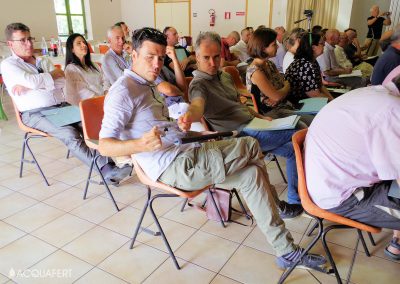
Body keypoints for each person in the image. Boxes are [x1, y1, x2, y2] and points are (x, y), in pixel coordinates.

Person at [98, 27, 326, 270]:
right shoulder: (122, 91)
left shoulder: (150, 84)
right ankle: (281, 206)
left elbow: (170, 127)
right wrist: (139, 144)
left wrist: (190, 132)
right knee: (250, 145)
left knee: (252, 175)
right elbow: (104, 146)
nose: (156, 64)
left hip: (187, 151)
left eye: (160, 58)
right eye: (149, 57)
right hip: (174, 167)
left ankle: (286, 252)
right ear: (133, 54)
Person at [181, 31, 304, 218]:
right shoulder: (198, 84)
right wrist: (190, 115)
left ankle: (295, 201)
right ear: (196, 57)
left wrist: (259, 115)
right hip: (238, 136)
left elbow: (238, 105)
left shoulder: (224, 77)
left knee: (293, 150)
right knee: (301, 130)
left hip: (254, 124)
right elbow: (197, 105)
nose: (213, 63)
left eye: (216, 57)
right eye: (206, 58)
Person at [1, 23, 131, 184]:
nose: (28, 44)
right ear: (10, 43)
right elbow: (34, 81)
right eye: (22, 40)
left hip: (60, 107)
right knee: (70, 133)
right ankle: (106, 170)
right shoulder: (8, 65)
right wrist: (48, 78)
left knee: (91, 125)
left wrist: (35, 84)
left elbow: (62, 81)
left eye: (30, 39)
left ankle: (111, 166)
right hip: (35, 113)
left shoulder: (43, 60)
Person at [304, 75, 400, 261]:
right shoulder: (392, 110)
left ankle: (397, 242)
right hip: (343, 197)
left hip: (330, 179)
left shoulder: (370, 93)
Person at [246, 27, 300, 121]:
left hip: (283, 106)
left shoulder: (269, 64)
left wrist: (283, 90)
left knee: (313, 117)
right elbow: (277, 95)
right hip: (271, 112)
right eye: (274, 44)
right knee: (308, 122)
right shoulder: (255, 71)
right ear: (263, 48)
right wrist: (281, 92)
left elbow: (284, 84)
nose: (278, 47)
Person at [285, 33, 333, 107]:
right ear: (313, 47)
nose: (324, 45)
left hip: (310, 99)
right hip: (299, 104)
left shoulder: (312, 61)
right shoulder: (305, 65)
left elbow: (320, 85)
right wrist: (332, 103)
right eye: (322, 43)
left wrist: (332, 100)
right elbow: (315, 95)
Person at [64, 33, 108, 106]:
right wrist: (100, 100)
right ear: (72, 49)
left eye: (84, 42)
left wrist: (106, 93)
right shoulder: (71, 68)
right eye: (79, 43)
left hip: (104, 100)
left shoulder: (95, 65)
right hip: (89, 104)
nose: (84, 45)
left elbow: (105, 80)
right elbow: (82, 91)